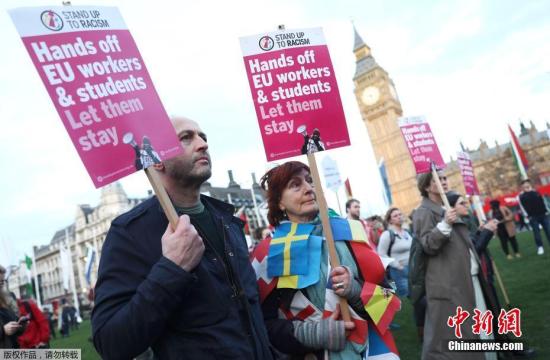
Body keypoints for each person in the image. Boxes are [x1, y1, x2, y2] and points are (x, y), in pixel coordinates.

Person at [92, 117, 273, 359]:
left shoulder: (229, 222)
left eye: (203, 137)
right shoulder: (130, 232)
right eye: (186, 138)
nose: (202, 144)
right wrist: (172, 269)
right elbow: (111, 343)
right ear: (156, 161)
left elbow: (252, 313)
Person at [253, 161, 399, 359]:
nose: (308, 188)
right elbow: (262, 324)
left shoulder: (348, 232)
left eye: (310, 181)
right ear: (279, 202)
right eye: (295, 184)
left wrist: (355, 291)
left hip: (368, 349)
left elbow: (386, 299)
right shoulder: (269, 252)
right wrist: (314, 334)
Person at [377, 207, 412, 299]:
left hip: (413, 268)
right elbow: (381, 254)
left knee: (419, 295)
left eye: (400, 214)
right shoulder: (387, 234)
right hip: (399, 271)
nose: (399, 217)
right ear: (390, 220)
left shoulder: (407, 232)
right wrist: (397, 265)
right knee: (408, 298)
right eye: (395, 216)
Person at [518, 179, 550, 255]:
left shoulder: (536, 192)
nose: (526, 185)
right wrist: (527, 216)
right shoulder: (522, 196)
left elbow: (543, 201)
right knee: (536, 233)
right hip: (533, 217)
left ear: (530, 184)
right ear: (522, 186)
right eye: (524, 184)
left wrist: (547, 210)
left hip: (543, 214)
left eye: (527, 183)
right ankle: (540, 247)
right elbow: (522, 207)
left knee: (548, 231)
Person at [0, 265, 26, 348]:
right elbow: (4, 330)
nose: (1, 284)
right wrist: (3, 331)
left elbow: (13, 322)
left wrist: (20, 324)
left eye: (3, 281)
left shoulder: (7, 298)